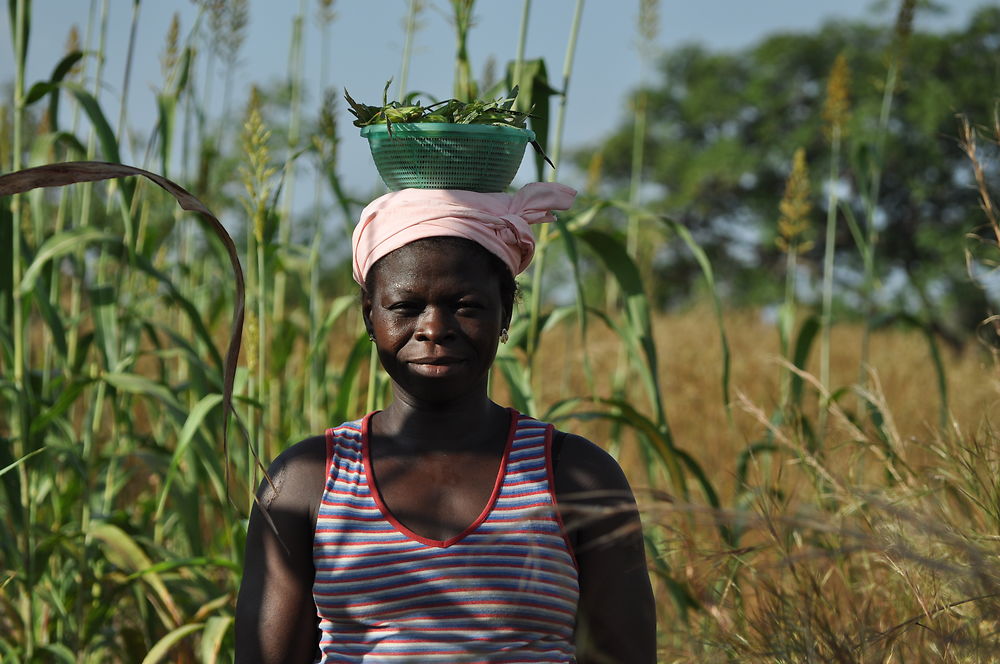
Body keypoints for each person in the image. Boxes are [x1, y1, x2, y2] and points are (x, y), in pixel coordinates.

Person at [235, 182, 656, 663]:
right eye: (406, 307)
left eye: (466, 306)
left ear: (506, 313)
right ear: (369, 318)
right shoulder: (306, 480)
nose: (435, 328)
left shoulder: (574, 475)